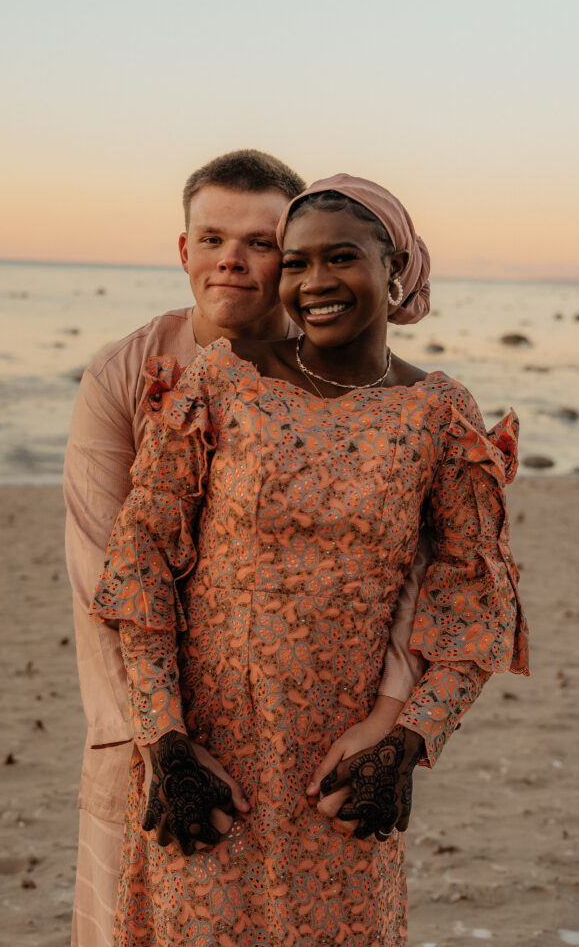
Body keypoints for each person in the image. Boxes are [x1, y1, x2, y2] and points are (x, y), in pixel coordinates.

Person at [90, 173, 529, 946]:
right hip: (205, 756)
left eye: (341, 258)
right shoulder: (223, 382)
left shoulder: (436, 413)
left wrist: (408, 741)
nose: (314, 282)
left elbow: (474, 598)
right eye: (294, 263)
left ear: (394, 270)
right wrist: (164, 738)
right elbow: (143, 561)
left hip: (346, 767)